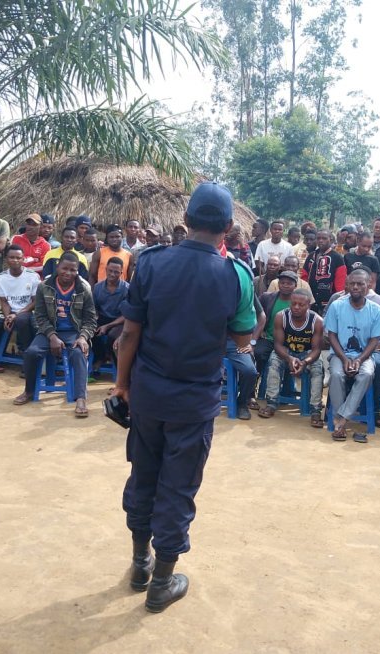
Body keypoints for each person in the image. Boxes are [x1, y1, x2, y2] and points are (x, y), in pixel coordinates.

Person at [113, 181, 255, 613]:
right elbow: (244, 336)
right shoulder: (237, 276)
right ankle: (162, 581)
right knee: (178, 489)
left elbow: (129, 333)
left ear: (186, 221)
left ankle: (140, 563)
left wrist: (122, 385)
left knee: (144, 477)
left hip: (149, 397)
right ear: (229, 228)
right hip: (194, 405)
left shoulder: (150, 263)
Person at [14, 252, 96, 415]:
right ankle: (29, 391)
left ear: (77, 270)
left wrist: (83, 337)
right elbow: (40, 316)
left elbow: (91, 318)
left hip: (74, 331)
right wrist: (52, 336)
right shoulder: (44, 286)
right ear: (57, 267)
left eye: (73, 270)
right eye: (64, 268)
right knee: (31, 353)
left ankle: (81, 398)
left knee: (79, 354)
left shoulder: (84, 288)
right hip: (49, 331)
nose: (68, 273)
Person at [323, 268, 380, 443]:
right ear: (347, 285)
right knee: (336, 374)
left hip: (363, 355)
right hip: (340, 354)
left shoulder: (376, 310)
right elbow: (332, 335)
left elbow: (374, 340)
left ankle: (340, 419)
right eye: (352, 283)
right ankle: (341, 419)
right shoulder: (337, 305)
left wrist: (358, 360)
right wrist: (344, 359)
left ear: (369, 285)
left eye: (360, 284)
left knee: (366, 373)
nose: (356, 287)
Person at [258, 288, 325, 428]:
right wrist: (289, 358)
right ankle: (271, 402)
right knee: (274, 361)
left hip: (307, 355)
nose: (296, 307)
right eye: (293, 303)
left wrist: (305, 362)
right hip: (286, 352)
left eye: (301, 305)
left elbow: (316, 350)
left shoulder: (317, 321)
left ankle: (315, 409)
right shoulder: (281, 317)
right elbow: (278, 345)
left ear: (309, 305)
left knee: (318, 368)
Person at [0, 245, 39, 372]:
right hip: (7, 311)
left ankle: (25, 355)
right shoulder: (1, 277)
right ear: (6, 259)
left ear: (23, 259)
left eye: (18, 258)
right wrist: (7, 317)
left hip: (26, 311)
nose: (15, 260)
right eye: (12, 257)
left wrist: (16, 315)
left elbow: (35, 301)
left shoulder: (32, 276)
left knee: (21, 320)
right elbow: (4, 301)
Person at [252, 270, 298, 390]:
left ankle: (286, 389)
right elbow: (255, 314)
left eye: (289, 283)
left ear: (295, 286)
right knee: (258, 354)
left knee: (289, 359)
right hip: (268, 338)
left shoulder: (298, 302)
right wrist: (259, 328)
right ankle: (253, 386)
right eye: (282, 283)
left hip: (288, 341)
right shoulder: (267, 297)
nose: (285, 285)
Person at [92, 256, 129, 372]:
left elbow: (127, 314)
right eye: (110, 271)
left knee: (113, 337)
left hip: (120, 320)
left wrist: (108, 326)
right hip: (103, 318)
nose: (112, 274)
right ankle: (100, 357)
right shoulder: (98, 288)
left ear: (121, 273)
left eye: (116, 272)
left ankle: (118, 368)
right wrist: (96, 321)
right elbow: (94, 309)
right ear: (106, 269)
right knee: (90, 331)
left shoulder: (127, 289)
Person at [302, 229, 347, 315]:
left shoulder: (337, 258)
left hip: (329, 301)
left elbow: (340, 282)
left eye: (324, 238)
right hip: (310, 300)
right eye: (318, 238)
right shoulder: (311, 256)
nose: (321, 241)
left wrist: (339, 300)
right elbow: (304, 277)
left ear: (331, 240)